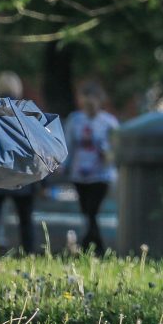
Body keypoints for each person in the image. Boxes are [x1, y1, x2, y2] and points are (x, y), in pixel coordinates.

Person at [0, 71, 38, 254]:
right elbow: (37, 147)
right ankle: (30, 254)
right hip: (22, 174)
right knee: (26, 220)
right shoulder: (27, 111)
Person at [63, 81, 119, 255]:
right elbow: (68, 145)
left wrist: (108, 154)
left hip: (101, 175)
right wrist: (64, 165)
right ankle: (92, 247)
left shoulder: (109, 123)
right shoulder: (75, 120)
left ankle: (94, 247)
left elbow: (116, 148)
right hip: (80, 174)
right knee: (87, 211)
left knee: (92, 210)